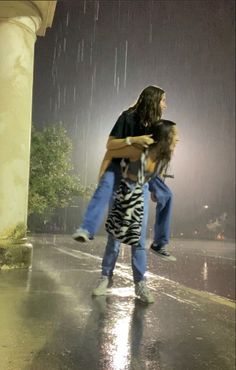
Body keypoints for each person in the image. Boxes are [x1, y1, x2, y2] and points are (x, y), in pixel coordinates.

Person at [73, 86, 176, 261]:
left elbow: (157, 154)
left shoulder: (157, 125)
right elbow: (110, 145)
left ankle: (159, 243)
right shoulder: (127, 117)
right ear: (153, 100)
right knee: (105, 190)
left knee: (167, 195)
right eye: (163, 100)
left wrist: (155, 183)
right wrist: (134, 140)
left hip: (143, 170)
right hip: (120, 165)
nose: (165, 105)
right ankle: (87, 229)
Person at [92, 120, 178, 303]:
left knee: (138, 240)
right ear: (164, 138)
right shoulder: (138, 149)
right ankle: (105, 278)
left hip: (142, 190)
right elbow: (112, 155)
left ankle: (140, 284)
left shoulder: (162, 156)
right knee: (114, 238)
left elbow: (156, 175)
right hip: (121, 189)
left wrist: (156, 191)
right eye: (174, 136)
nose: (178, 140)